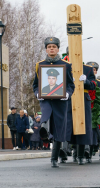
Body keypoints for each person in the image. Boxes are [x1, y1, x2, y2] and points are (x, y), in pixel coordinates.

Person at [33, 37, 75, 167]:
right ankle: (44, 131)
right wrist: (38, 93)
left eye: (54, 46)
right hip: (46, 100)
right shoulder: (39, 65)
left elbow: (70, 85)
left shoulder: (66, 65)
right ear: (46, 49)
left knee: (58, 130)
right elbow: (35, 85)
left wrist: (67, 94)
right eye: (49, 46)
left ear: (58, 49)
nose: (51, 48)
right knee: (45, 116)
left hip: (60, 102)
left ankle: (54, 158)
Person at [63, 59, 96, 165]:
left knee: (82, 129)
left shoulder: (88, 69)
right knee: (66, 127)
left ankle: (81, 155)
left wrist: (86, 81)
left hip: (83, 100)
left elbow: (93, 86)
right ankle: (62, 153)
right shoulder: (64, 67)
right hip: (68, 99)